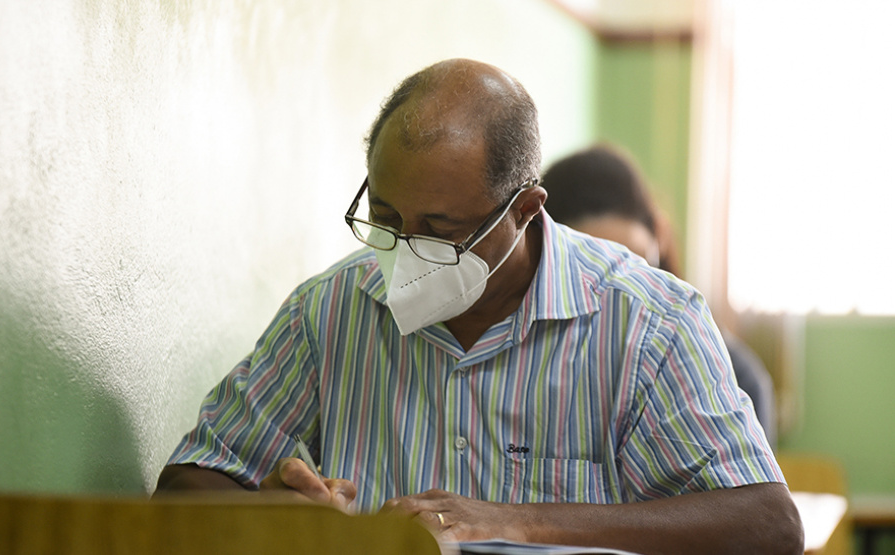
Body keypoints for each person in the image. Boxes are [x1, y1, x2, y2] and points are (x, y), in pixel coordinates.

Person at [156, 59, 802, 554]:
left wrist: (516, 519)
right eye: (384, 218)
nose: (405, 252)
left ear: (523, 211)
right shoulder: (330, 309)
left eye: (439, 229)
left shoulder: (647, 322)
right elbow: (188, 483)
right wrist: (274, 514)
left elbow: (767, 524)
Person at [541, 143, 778, 446]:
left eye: (636, 267)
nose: (618, 296)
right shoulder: (521, 368)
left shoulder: (733, 376)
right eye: (589, 273)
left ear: (660, 237)